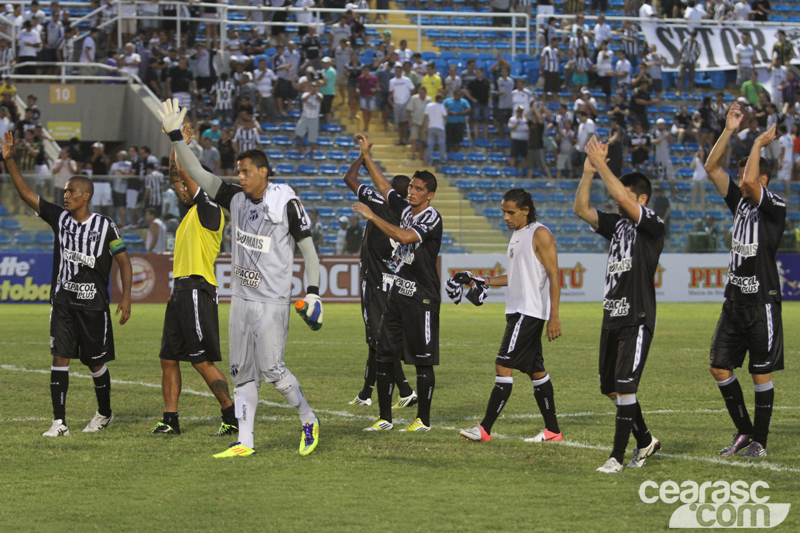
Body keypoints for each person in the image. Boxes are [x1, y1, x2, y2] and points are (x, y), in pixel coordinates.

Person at [160, 98, 322, 458]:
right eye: (238, 171)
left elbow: (309, 250)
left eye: (246, 171)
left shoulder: (286, 202)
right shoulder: (233, 198)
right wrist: (175, 137)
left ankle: (308, 418)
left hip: (272, 301)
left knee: (273, 371)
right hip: (242, 300)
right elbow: (196, 171)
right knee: (242, 373)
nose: (240, 177)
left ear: (263, 172)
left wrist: (313, 292)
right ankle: (244, 442)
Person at [3, 130, 132, 437]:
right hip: (62, 302)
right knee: (59, 357)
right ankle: (59, 422)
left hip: (93, 305)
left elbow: (124, 262)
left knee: (94, 362)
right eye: (64, 191)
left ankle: (104, 413)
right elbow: (26, 194)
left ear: (85, 196)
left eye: (71, 191)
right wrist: (9, 160)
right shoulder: (59, 218)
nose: (66, 195)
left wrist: (127, 297)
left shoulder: (105, 226)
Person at [573, 136, 665, 473]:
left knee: (625, 385)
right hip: (611, 315)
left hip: (637, 316)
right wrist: (588, 171)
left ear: (642, 199)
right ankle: (646, 440)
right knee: (610, 388)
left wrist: (602, 164)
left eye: (624, 195)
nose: (616, 199)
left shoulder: (652, 224)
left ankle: (616, 456)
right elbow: (581, 210)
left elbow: (622, 198)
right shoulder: (617, 226)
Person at [703, 105, 785, 459]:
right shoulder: (739, 204)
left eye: (746, 176)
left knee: (760, 374)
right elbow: (711, 168)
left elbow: (749, 181)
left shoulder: (775, 206)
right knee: (719, 366)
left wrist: (757, 144)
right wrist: (728, 132)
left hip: (761, 303)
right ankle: (744, 430)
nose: (740, 183)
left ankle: (760, 442)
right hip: (734, 302)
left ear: (763, 180)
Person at [353, 135, 443, 433]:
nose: (412, 192)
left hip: (422, 297)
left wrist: (371, 215)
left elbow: (404, 237)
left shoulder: (431, 218)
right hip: (397, 293)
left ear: (429, 195)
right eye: (412, 187)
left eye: (418, 189)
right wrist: (367, 156)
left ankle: (423, 420)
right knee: (384, 353)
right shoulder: (405, 209)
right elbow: (384, 187)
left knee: (422, 361)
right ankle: (384, 418)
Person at [458, 189, 563, 443]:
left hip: (528, 312)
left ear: (526, 210)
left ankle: (484, 429)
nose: (505, 217)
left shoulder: (540, 233)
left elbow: (554, 275)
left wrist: (554, 316)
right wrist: (482, 281)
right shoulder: (517, 235)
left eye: (511, 212)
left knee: (503, 365)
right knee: (536, 371)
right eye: (503, 212)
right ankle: (553, 431)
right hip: (517, 310)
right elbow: (515, 277)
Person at [152, 138, 237, 437]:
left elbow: (186, 173)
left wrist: (179, 142)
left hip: (197, 289)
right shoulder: (192, 212)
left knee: (200, 360)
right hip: (181, 289)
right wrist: (174, 146)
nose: (181, 190)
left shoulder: (210, 209)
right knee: (168, 358)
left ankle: (231, 416)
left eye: (187, 187)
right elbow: (177, 175)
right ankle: (170, 420)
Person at [343, 143, 418, 408]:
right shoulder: (410, 215)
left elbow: (349, 178)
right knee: (377, 338)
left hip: (374, 281)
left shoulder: (377, 202)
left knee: (378, 339)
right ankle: (366, 393)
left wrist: (362, 157)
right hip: (394, 283)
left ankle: (405, 390)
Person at [389, 65, 414, 146]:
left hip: (405, 103)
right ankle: (400, 139)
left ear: (401, 71)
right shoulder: (392, 81)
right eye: (396, 71)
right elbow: (391, 92)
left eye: (399, 70)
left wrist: (410, 101)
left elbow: (412, 90)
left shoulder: (407, 80)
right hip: (397, 104)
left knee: (405, 123)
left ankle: (405, 139)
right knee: (399, 123)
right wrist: (392, 102)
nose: (398, 72)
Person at [443, 88, 470, 153]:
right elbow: (441, 107)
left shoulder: (463, 101)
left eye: (459, 95)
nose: (458, 96)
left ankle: (456, 152)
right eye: (457, 95)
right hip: (449, 122)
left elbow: (469, 109)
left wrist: (461, 113)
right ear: (454, 94)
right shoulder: (447, 101)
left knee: (457, 140)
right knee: (448, 139)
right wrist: (448, 112)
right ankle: (448, 152)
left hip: (459, 123)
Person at [424, 93, 448, 166]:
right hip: (440, 127)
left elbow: (425, 117)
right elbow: (445, 117)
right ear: (440, 99)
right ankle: (442, 160)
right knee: (441, 144)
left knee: (430, 145)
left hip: (431, 127)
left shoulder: (429, 105)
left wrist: (425, 127)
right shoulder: (441, 106)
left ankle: (429, 161)